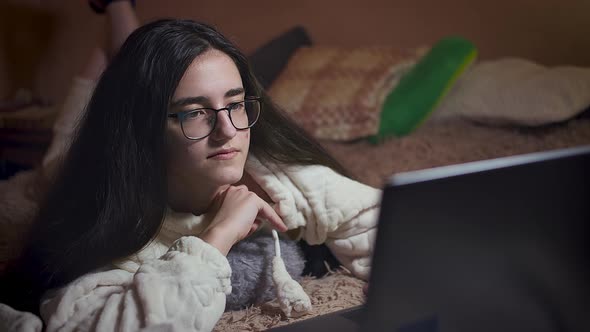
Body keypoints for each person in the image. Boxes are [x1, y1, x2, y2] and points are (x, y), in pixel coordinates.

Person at [0, 0, 381, 330]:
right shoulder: (100, 214)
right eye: (195, 112)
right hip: (91, 172)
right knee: (59, 156)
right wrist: (218, 235)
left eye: (234, 104)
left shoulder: (281, 179)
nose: (227, 131)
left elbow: (389, 226)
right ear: (144, 130)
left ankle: (117, 10)